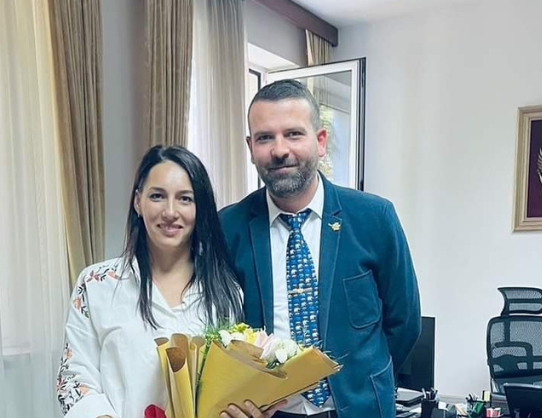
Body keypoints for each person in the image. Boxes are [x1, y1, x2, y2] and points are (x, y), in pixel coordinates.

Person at [219, 80, 421, 418]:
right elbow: (220, 328)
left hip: (359, 410)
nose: (279, 150)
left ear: (321, 141)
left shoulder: (374, 218)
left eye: (293, 134)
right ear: (250, 147)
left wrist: (367, 380)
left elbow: (405, 323)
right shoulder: (228, 228)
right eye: (265, 137)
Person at [56, 145, 248, 418]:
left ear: (200, 208)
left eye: (185, 199)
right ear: (138, 202)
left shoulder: (226, 292)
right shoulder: (96, 284)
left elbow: (233, 383)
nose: (170, 211)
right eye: (157, 196)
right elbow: (74, 379)